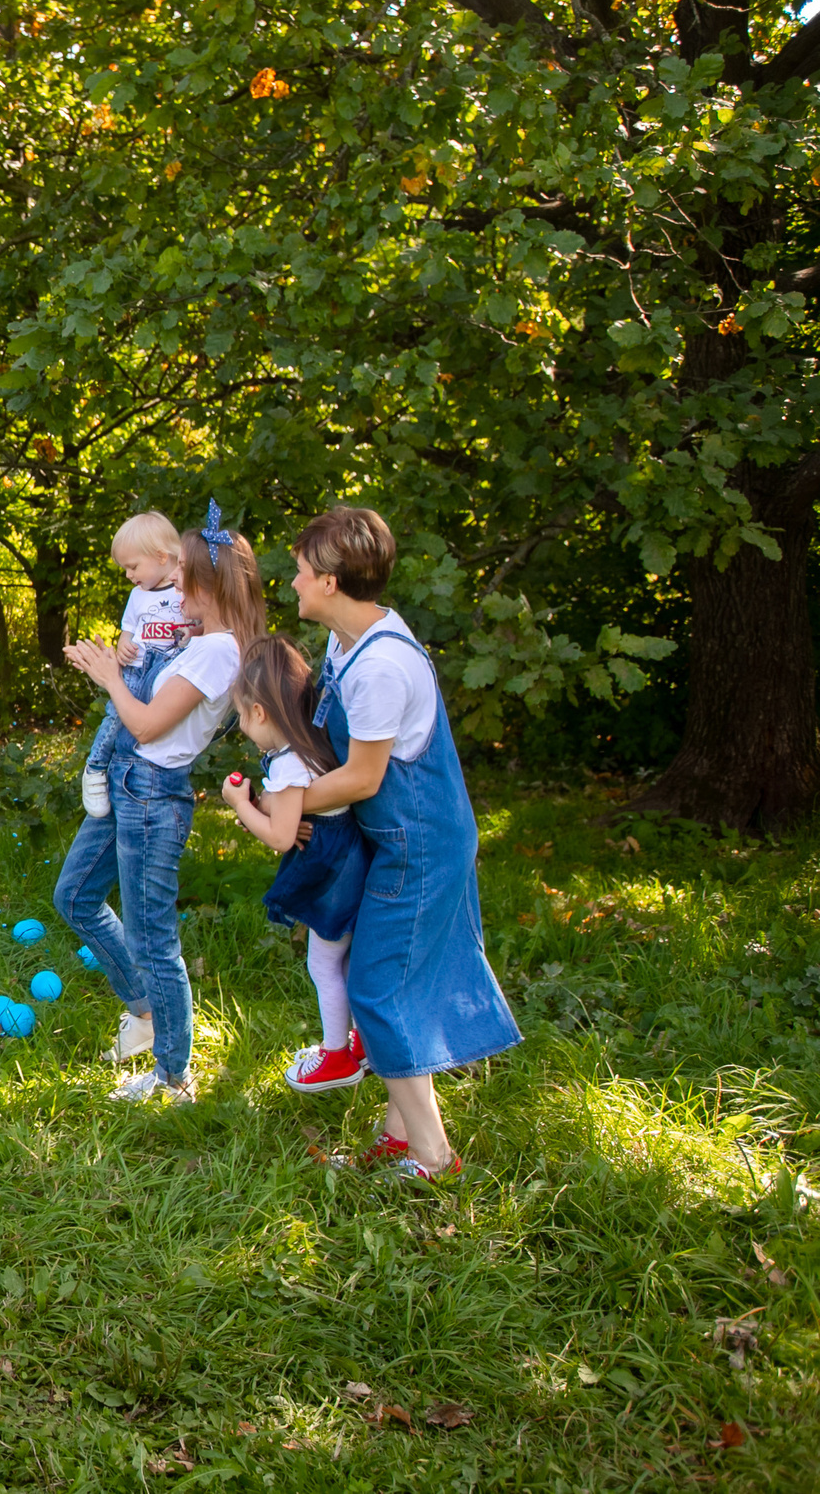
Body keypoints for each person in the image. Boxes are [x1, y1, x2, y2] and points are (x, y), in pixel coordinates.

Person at [290, 506, 520, 1180]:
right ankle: (400, 1132)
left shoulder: (379, 667)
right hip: (391, 837)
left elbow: (363, 777)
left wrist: (285, 803)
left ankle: (435, 1156)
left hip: (418, 843)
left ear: (331, 580)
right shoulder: (346, 643)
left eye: (302, 571)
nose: (294, 582)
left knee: (378, 986)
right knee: (385, 982)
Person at [54, 503, 264, 1104]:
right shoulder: (197, 638)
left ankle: (174, 1074)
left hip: (152, 792)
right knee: (74, 896)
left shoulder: (219, 651)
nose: (172, 584)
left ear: (206, 584)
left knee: (154, 940)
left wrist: (107, 677)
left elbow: (145, 725)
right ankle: (144, 1011)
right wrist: (119, 657)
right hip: (125, 781)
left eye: (183, 577)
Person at [219, 635, 372, 1093]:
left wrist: (238, 803)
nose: (243, 726)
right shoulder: (312, 740)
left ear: (260, 712)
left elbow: (281, 837)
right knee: (340, 958)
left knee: (323, 964)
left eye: (242, 717)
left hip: (330, 868)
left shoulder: (287, 765)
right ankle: (358, 1042)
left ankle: (336, 1055)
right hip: (342, 854)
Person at [79, 512, 193, 819]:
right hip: (137, 670)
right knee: (116, 717)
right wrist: (123, 646)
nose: (129, 575)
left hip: (171, 674)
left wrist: (190, 634)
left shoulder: (187, 590)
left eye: (133, 567)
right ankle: (95, 767)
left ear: (160, 556)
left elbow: (200, 627)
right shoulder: (137, 596)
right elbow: (128, 632)